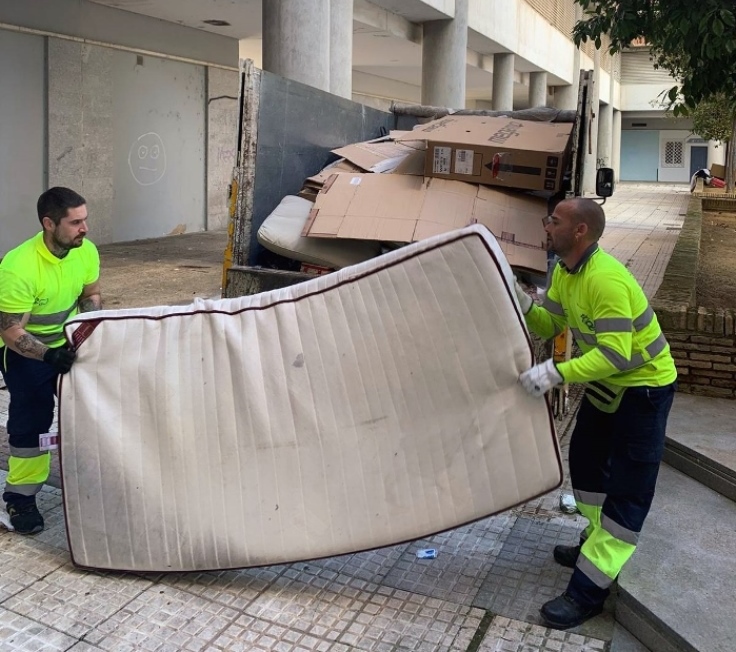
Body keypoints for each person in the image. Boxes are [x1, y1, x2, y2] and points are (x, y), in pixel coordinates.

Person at [514, 197, 677, 630]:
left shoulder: (605, 280)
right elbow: (550, 324)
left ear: (580, 230)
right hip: (610, 388)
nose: (547, 225)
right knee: (586, 467)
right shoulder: (567, 274)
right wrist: (523, 300)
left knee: (628, 491)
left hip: (644, 391)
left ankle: (587, 594)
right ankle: (592, 540)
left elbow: (617, 355)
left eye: (555, 220)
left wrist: (555, 372)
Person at [0, 187, 101, 535]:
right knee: (33, 418)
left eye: (85, 219)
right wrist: (47, 355)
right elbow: (11, 331)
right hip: (26, 352)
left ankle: (93, 482)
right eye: (75, 222)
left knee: (93, 410)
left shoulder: (85, 251)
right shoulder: (18, 266)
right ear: (49, 223)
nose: (84, 229)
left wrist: (92, 329)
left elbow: (91, 294)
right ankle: (21, 498)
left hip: (69, 343)